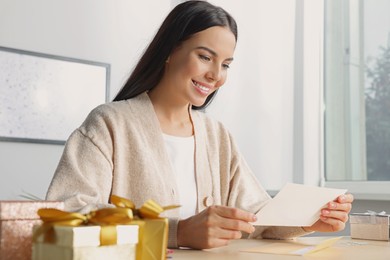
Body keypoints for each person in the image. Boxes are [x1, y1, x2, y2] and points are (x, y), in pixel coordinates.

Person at [46, 0, 353, 250]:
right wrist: (176, 232)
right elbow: (68, 212)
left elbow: (256, 214)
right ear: (169, 51)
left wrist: (306, 221)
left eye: (226, 64)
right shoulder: (109, 124)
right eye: (206, 57)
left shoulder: (217, 136)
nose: (216, 75)